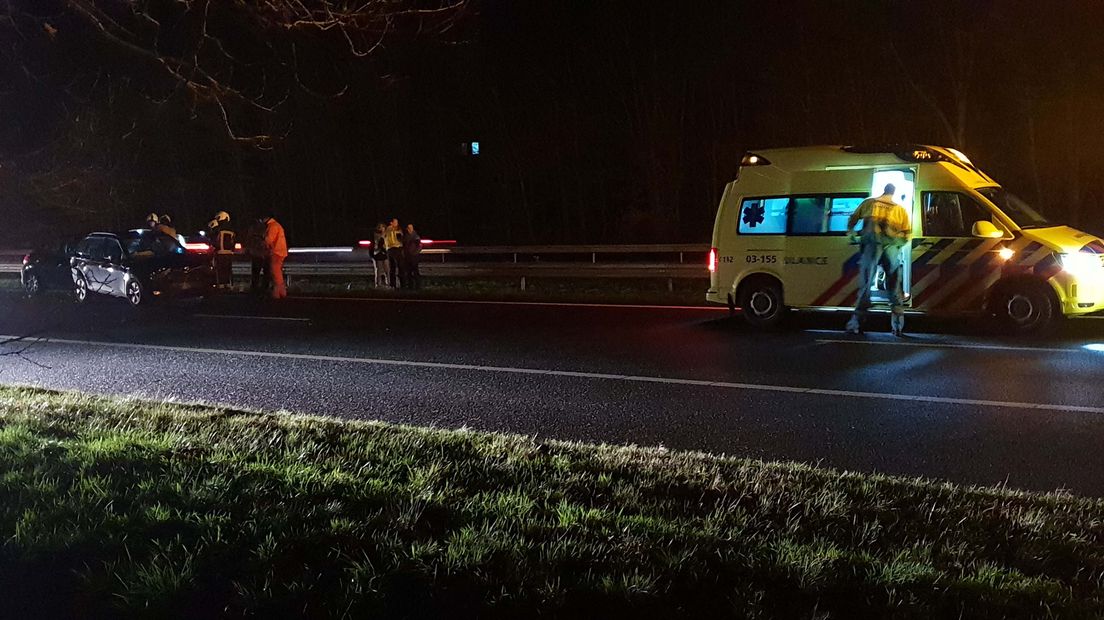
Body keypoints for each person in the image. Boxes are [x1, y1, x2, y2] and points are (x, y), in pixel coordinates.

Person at [845, 183, 912, 336]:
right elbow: (907, 234)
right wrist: (897, 244)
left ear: (884, 191)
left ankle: (856, 324)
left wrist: (852, 235)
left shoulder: (870, 203)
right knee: (894, 285)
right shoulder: (900, 210)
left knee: (866, 285)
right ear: (893, 193)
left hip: (871, 247)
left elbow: (853, 219)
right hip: (891, 249)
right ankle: (897, 326)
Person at [207, 211, 236, 288]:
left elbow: (213, 240)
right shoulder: (231, 230)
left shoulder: (218, 229)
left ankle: (221, 285)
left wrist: (211, 230)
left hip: (220, 253)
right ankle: (229, 285)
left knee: (220, 270)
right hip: (229, 253)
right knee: (228, 270)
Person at [263, 215, 288, 299]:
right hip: (281, 252)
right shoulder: (277, 225)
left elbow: (269, 239)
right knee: (278, 273)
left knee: (275, 273)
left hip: (276, 252)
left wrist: (264, 243)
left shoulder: (272, 226)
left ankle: (276, 293)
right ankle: (282, 292)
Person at [243, 218, 270, 295]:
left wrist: (248, 249)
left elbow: (248, 239)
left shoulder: (253, 228)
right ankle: (264, 288)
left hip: (257, 253)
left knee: (256, 272)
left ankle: (255, 288)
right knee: (265, 272)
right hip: (263, 253)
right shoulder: (266, 227)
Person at [383, 218, 404, 289]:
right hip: (392, 249)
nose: (396, 224)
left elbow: (401, 239)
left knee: (400, 267)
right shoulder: (390, 229)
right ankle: (393, 285)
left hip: (398, 248)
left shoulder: (399, 229)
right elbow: (388, 236)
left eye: (397, 222)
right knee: (393, 267)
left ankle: (401, 284)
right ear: (391, 223)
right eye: (395, 222)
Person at [403, 223, 422, 290]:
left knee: (415, 272)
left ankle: (417, 286)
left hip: (414, 257)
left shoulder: (416, 236)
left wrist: (414, 253)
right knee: (409, 272)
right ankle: (410, 287)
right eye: (408, 228)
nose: (409, 229)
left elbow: (419, 246)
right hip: (407, 257)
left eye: (411, 228)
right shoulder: (405, 236)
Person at [371, 223, 389, 287]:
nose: (382, 228)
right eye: (380, 227)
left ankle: (388, 283)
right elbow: (378, 243)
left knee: (387, 269)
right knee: (379, 269)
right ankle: (378, 284)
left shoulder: (387, 235)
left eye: (383, 227)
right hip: (378, 253)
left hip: (385, 253)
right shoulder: (376, 235)